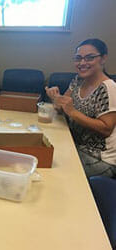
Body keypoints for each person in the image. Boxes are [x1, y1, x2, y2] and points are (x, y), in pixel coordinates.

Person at [46, 38, 116, 178]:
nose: (82, 63)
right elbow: (62, 107)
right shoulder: (78, 79)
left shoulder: (109, 88)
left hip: (101, 158)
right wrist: (55, 98)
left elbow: (106, 129)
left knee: (53, 171)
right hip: (76, 144)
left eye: (90, 58)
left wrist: (72, 112)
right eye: (78, 58)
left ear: (103, 58)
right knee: (45, 153)